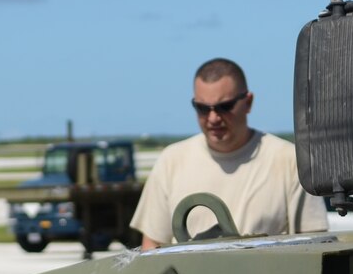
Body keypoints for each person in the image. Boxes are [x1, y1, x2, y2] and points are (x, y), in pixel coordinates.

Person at [132, 58, 327, 249]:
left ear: (248, 102)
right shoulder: (171, 160)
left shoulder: (290, 161)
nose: (213, 118)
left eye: (224, 107)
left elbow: (313, 244)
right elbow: (152, 245)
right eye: (202, 108)